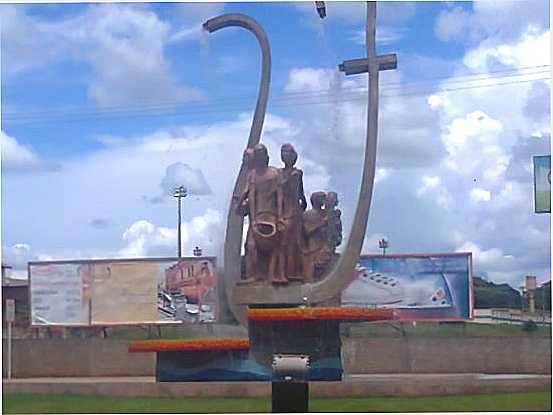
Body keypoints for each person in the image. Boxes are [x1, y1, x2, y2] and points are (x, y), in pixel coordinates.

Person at [237, 144, 286, 284]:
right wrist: (252, 218)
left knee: (274, 247)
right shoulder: (253, 175)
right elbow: (251, 196)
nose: (260, 159)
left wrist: (280, 216)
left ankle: (273, 275)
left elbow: (280, 196)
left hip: (272, 215)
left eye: (262, 155)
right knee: (250, 246)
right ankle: (253, 275)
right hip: (257, 216)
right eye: (257, 156)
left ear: (267, 157)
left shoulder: (275, 173)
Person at [279, 143, 307, 280]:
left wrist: (302, 206)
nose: (285, 155)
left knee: (293, 242)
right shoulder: (279, 173)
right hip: (281, 208)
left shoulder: (296, 173)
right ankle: (281, 272)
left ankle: (292, 272)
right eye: (283, 152)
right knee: (281, 243)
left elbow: (299, 193)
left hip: (292, 210)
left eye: (288, 152)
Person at [301, 192, 330, 282]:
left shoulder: (326, 213)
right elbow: (306, 231)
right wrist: (322, 223)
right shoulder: (307, 215)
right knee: (312, 266)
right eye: (322, 199)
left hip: (325, 243)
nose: (324, 202)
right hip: (313, 245)